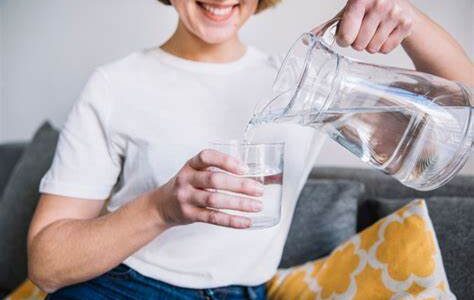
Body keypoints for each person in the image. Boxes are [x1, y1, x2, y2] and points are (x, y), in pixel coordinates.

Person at [27, 0, 473, 299]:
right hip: (125, 286)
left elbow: (462, 119)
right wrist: (162, 208)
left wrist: (410, 18)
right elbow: (46, 265)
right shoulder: (116, 84)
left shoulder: (302, 87)